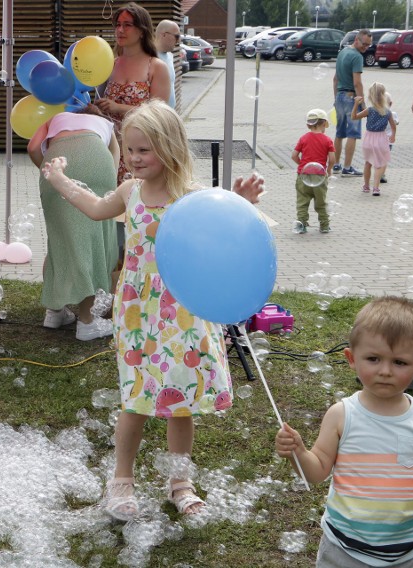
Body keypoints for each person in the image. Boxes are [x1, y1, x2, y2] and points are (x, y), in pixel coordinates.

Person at [43, 99, 264, 520]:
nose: (134, 158)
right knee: (138, 398)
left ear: (170, 148)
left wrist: (242, 201)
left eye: (144, 150)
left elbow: (221, 232)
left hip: (183, 312)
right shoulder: (131, 193)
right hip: (140, 313)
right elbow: (94, 208)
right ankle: (121, 480)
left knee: (181, 399)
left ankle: (180, 482)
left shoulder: (192, 198)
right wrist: (61, 182)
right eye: (129, 149)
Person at [275, 297, 413, 568]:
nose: (385, 371)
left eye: (399, 362)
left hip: (409, 552)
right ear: (352, 359)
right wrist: (298, 452)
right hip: (343, 550)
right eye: (373, 359)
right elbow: (317, 471)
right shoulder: (342, 415)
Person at [27, 108, 119, 340]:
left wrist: (50, 173)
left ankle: (54, 312)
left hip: (57, 162)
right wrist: (109, 188)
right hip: (97, 160)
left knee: (60, 238)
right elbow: (114, 157)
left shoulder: (55, 119)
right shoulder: (103, 122)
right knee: (91, 238)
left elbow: (32, 147)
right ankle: (87, 321)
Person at [96, 2, 171, 184]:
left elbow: (158, 115)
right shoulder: (110, 64)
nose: (120, 30)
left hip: (141, 153)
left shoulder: (156, 67)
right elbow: (100, 102)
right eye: (118, 25)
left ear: (142, 31)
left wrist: (118, 107)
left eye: (127, 25)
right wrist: (96, 111)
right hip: (110, 148)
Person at [331, 30, 371, 178]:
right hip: (351, 98)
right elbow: (357, 83)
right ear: (356, 39)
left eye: (368, 45)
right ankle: (347, 168)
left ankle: (335, 165)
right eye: (364, 44)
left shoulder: (342, 53)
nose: (366, 47)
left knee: (339, 133)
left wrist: (335, 99)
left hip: (340, 97)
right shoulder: (357, 57)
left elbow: (335, 79)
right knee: (353, 134)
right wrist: (363, 104)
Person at [291, 108, 335, 234]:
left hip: (303, 176)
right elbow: (332, 159)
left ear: (308, 124)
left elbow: (294, 155)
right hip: (320, 177)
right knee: (321, 202)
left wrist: (303, 166)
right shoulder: (327, 140)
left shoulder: (303, 138)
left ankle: (302, 225)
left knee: (302, 202)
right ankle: (324, 225)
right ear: (323, 124)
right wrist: (329, 169)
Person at [351, 82, 396, 197]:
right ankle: (376, 188)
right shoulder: (387, 111)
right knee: (381, 164)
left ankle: (366, 186)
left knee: (368, 163)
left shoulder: (369, 110)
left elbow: (354, 117)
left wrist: (356, 104)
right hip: (381, 138)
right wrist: (393, 135)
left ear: (370, 96)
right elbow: (393, 125)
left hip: (369, 139)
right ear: (383, 95)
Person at [155, 19, 180, 111]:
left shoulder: (170, 56)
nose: (178, 41)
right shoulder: (149, 57)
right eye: (176, 36)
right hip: (156, 116)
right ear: (164, 35)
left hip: (169, 114)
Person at [378, 91, 398, 184]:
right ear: (390, 103)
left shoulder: (376, 113)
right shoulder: (393, 114)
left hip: (378, 140)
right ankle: (382, 175)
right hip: (388, 141)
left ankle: (378, 172)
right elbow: (396, 122)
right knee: (384, 158)